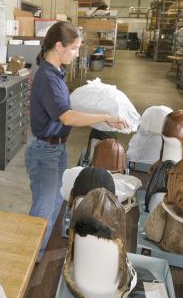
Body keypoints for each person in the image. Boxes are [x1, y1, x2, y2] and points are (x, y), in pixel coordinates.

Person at [25, 21, 128, 259]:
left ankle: (40, 252)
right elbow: (67, 116)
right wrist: (105, 117)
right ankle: (30, 257)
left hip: (56, 149)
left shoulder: (57, 73)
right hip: (45, 152)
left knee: (55, 205)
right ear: (59, 46)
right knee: (43, 208)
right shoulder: (48, 78)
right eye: (74, 49)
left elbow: (66, 108)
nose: (76, 54)